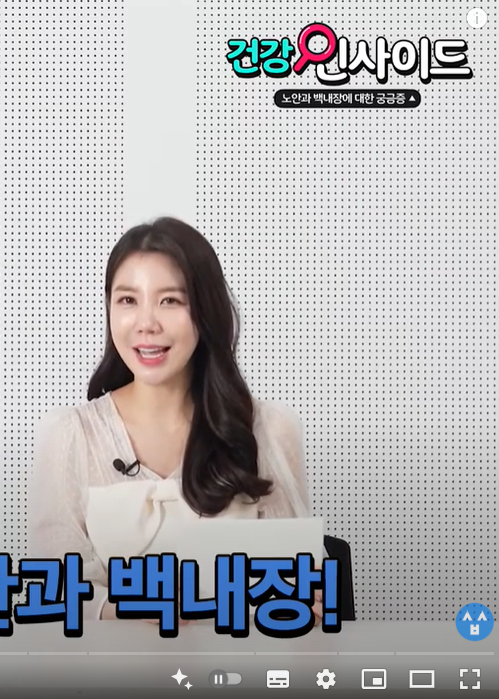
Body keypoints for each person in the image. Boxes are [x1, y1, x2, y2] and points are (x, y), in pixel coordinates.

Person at [28, 217, 321, 623]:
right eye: (128, 300)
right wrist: (143, 609)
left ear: (206, 311)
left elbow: (296, 581)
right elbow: (54, 591)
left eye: (170, 301)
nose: (147, 323)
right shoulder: (69, 436)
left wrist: (308, 598)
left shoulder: (269, 429)